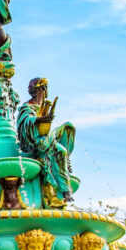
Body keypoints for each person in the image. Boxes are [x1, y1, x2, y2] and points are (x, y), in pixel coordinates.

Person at [16, 77, 75, 205]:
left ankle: (64, 162)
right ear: (40, 89)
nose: (44, 90)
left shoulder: (44, 105)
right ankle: (65, 190)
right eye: (43, 88)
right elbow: (24, 121)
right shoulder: (28, 106)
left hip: (45, 138)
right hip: (34, 142)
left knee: (69, 127)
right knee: (60, 151)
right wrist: (41, 119)